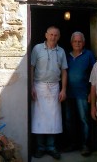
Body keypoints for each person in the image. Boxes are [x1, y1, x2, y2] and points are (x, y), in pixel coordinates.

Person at [31, 26, 68, 159]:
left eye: (56, 35)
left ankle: (52, 147)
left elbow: (64, 71)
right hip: (39, 86)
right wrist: (31, 87)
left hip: (54, 87)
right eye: (51, 34)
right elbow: (31, 67)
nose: (53, 37)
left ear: (58, 37)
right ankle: (40, 148)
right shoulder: (37, 49)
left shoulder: (61, 51)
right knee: (39, 119)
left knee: (53, 119)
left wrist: (63, 89)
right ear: (46, 35)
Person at [64, 31, 95, 156]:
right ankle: (73, 144)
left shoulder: (89, 55)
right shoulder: (66, 55)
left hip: (83, 93)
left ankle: (86, 145)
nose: (77, 43)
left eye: (80, 41)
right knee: (69, 120)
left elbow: (95, 74)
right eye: (75, 41)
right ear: (71, 43)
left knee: (84, 120)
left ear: (84, 43)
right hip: (68, 93)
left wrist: (91, 93)